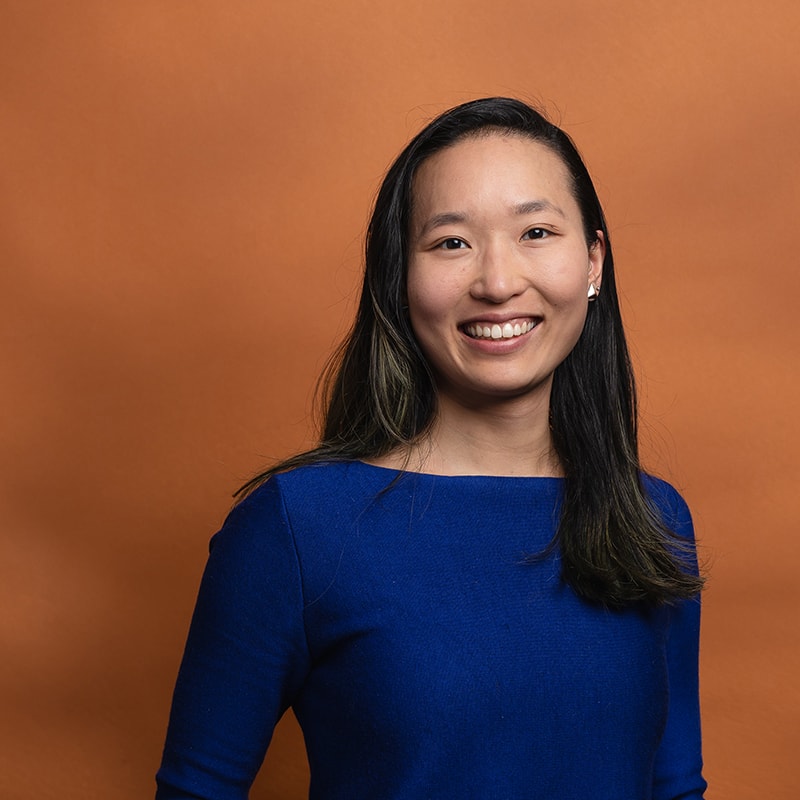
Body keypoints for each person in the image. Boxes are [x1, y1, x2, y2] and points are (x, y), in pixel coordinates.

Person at [156, 97, 706, 799]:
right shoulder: (297, 528)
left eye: (536, 231)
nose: (498, 282)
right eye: (451, 242)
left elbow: (674, 789)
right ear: (399, 276)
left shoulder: (652, 518)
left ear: (593, 262)